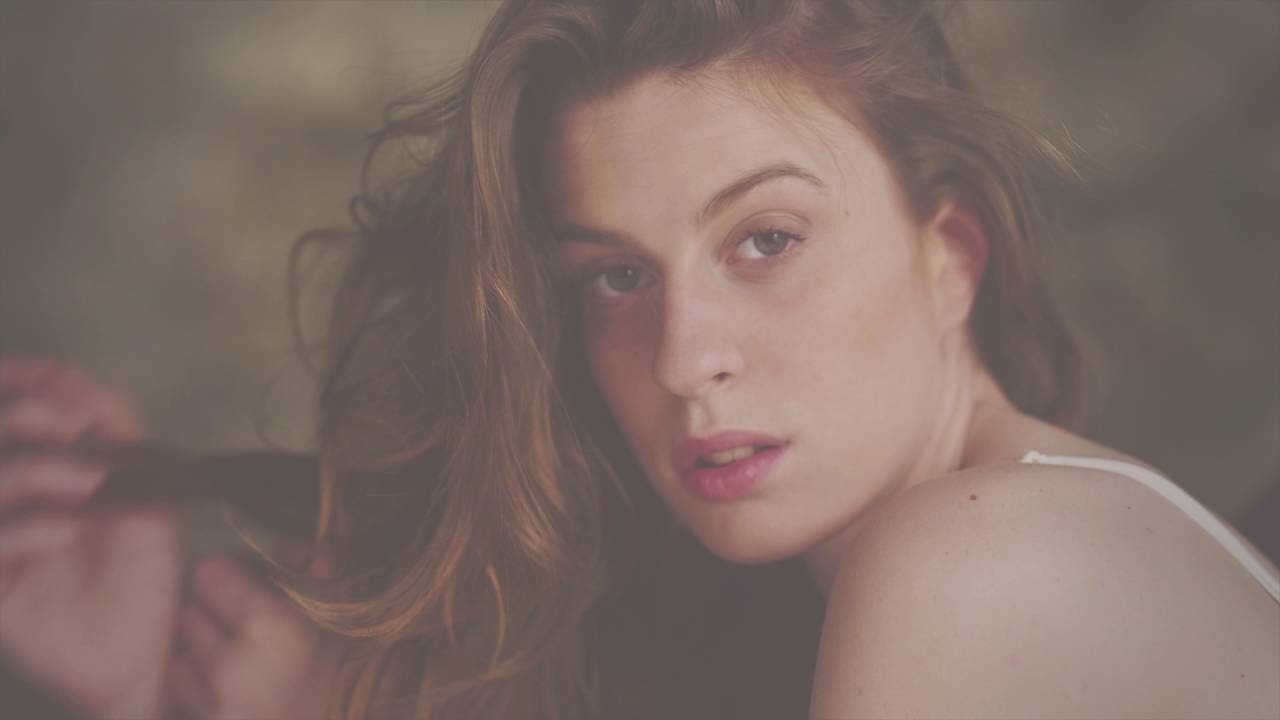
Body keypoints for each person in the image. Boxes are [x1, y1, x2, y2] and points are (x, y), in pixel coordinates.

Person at [2, 1, 1277, 718]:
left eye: (765, 240)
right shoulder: (873, 584)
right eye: (615, 275)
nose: (680, 359)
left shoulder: (967, 563)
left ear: (947, 254)